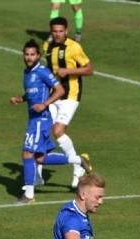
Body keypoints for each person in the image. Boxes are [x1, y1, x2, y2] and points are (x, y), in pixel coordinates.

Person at [10, 39, 91, 204]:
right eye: (26, 54)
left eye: (32, 54)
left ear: (38, 56)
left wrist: (45, 104)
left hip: (41, 119)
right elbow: (33, 93)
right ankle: (78, 160)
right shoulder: (27, 72)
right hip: (33, 118)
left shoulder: (43, 72)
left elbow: (60, 90)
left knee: (27, 152)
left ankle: (29, 195)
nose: (29, 57)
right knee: (39, 158)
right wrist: (21, 98)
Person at [40, 17, 94, 190]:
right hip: (53, 96)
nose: (57, 34)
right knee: (43, 132)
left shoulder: (74, 47)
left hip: (71, 95)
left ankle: (77, 165)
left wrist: (68, 70)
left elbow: (89, 69)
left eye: (60, 31)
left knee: (58, 130)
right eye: (54, 31)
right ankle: (39, 175)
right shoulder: (47, 47)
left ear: (66, 31)